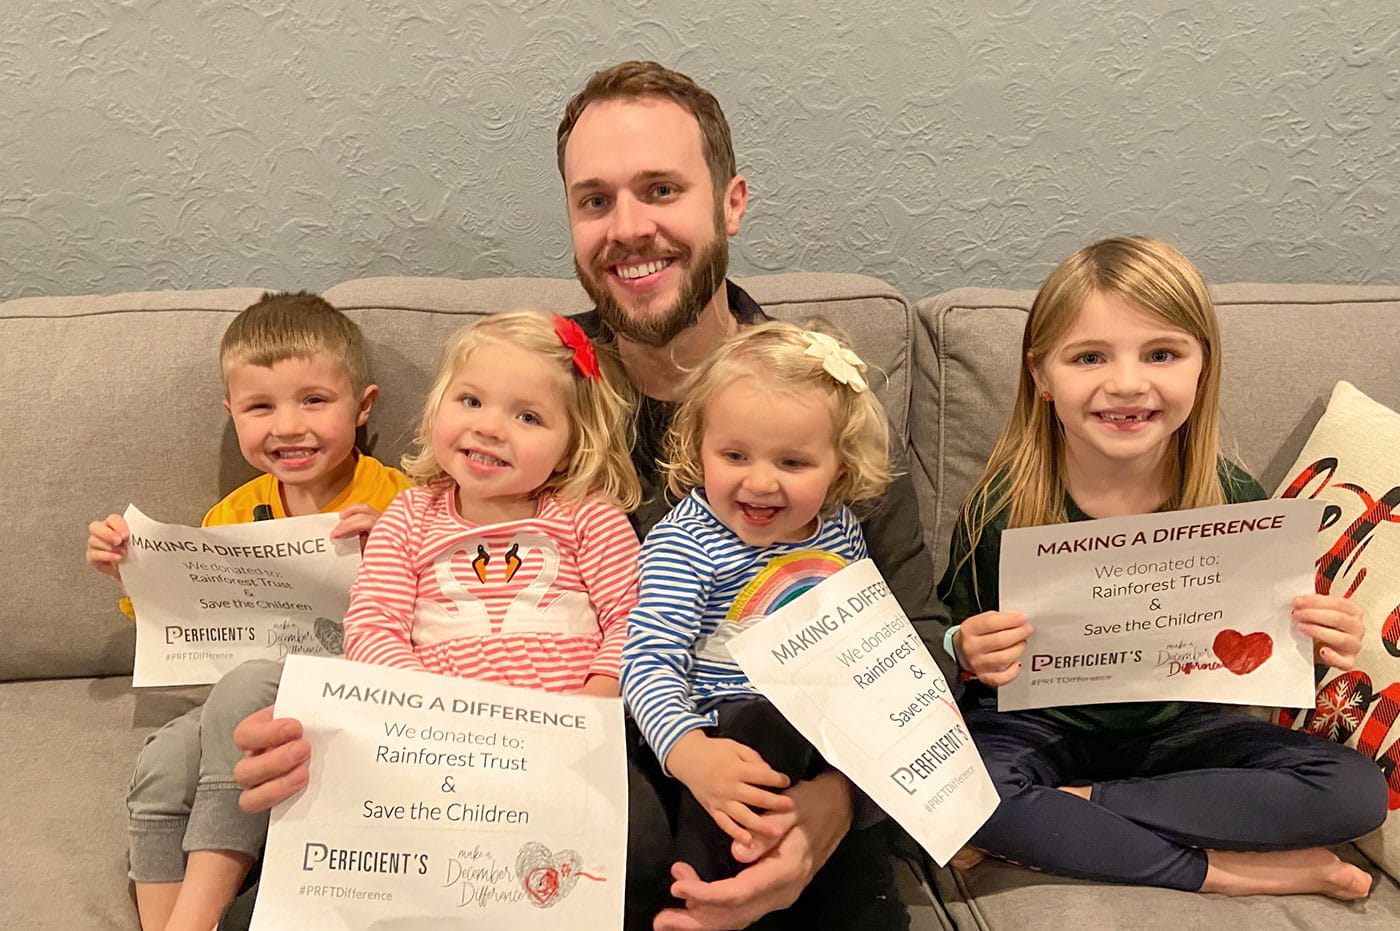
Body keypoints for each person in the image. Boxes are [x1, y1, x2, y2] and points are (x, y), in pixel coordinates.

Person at [232, 61, 957, 930]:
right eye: (595, 201)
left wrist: (834, 810)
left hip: (750, 793)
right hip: (518, 790)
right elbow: (417, 572)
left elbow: (920, 638)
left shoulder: (818, 407)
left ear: (730, 203)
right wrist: (330, 730)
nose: (629, 228)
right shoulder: (528, 398)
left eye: (661, 189)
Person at [940, 235, 1389, 899]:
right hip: (1040, 728)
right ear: (1040, 375)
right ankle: (1224, 872)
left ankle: (1075, 806)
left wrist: (1318, 645)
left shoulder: (1233, 500)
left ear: (1201, 368)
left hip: (1189, 733)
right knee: (955, 789)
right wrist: (967, 646)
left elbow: (1267, 662)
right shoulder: (1002, 506)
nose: (1127, 382)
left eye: (1161, 353)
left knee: (1356, 792)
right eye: (1089, 356)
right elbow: (956, 647)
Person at [86, 292, 412, 931]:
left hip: (354, 688)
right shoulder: (232, 515)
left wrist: (396, 543)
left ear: (363, 407)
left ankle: (197, 914)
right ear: (231, 412)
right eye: (261, 406)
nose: (288, 427)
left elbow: (448, 596)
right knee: (161, 761)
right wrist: (128, 565)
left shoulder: (402, 500)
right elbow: (185, 616)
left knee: (244, 691)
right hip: (240, 692)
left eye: (313, 400)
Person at [621, 321, 903, 923]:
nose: (760, 481)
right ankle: (711, 902)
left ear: (839, 467)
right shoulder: (686, 543)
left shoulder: (840, 530)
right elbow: (647, 659)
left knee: (862, 870)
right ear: (698, 447)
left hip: (827, 738)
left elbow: (873, 635)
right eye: (734, 456)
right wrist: (688, 751)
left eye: (794, 461)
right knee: (758, 726)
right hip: (724, 740)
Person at [341, 309, 642, 696]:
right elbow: (372, 626)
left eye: (528, 417)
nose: (488, 428)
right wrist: (420, 701)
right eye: (471, 401)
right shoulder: (407, 518)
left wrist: (598, 696)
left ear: (571, 447)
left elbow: (633, 620)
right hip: (438, 724)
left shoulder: (589, 516)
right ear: (436, 408)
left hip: (572, 725)